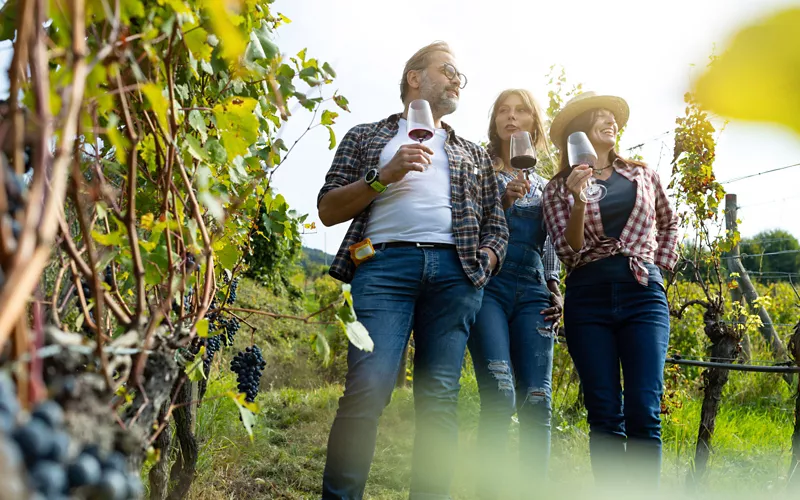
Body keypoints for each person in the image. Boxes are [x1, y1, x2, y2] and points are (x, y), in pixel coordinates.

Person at [316, 41, 508, 500]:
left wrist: (484, 261)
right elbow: (327, 209)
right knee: (368, 387)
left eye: (461, 75)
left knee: (439, 399)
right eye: (449, 70)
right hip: (383, 267)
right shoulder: (366, 137)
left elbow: (496, 225)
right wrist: (383, 175)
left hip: (456, 274)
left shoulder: (473, 153)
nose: (458, 80)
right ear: (414, 78)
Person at [542, 91, 679, 488]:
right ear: (579, 131)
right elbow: (568, 250)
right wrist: (578, 200)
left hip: (642, 294)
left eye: (612, 116)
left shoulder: (642, 174)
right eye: (600, 116)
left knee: (644, 409)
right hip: (588, 298)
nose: (611, 121)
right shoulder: (557, 188)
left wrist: (659, 267)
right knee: (604, 413)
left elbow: (669, 222)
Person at [467, 89, 563, 497]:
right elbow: (468, 230)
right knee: (501, 395)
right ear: (494, 123)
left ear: (533, 123)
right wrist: (503, 204)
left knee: (537, 401)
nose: (511, 117)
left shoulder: (547, 185)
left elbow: (552, 242)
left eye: (520, 110)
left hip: (535, 290)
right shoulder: (479, 172)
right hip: (490, 286)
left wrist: (555, 287)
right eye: (503, 111)